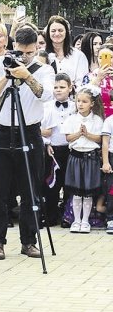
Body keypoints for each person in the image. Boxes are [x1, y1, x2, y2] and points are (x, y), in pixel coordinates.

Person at [0, 27, 55, 260]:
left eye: (29, 53)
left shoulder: (44, 69)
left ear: (36, 49)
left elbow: (45, 94)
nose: (24, 57)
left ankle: (29, 241)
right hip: (0, 132)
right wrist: (8, 74)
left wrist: (26, 75)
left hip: (30, 132)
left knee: (31, 190)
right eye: (20, 52)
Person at [61, 85, 104, 234]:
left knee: (88, 192)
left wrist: (87, 134)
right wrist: (79, 134)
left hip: (90, 157)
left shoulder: (97, 120)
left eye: (84, 101)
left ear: (92, 103)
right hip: (76, 156)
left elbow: (99, 138)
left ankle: (85, 221)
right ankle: (76, 221)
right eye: (78, 101)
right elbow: (68, 137)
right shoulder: (72, 119)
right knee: (77, 192)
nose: (80, 104)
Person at [43, 73, 74, 226]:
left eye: (62, 87)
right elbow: (43, 128)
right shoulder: (47, 107)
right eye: (56, 87)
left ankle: (68, 215)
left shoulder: (75, 106)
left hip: (70, 149)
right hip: (52, 149)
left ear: (70, 88)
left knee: (69, 183)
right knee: (51, 184)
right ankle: (50, 215)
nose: (58, 90)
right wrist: (47, 143)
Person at [44, 15, 88, 86]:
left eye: (60, 30)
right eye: (53, 31)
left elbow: (82, 83)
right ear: (48, 33)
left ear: (66, 32)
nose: (57, 34)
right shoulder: (41, 55)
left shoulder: (78, 56)